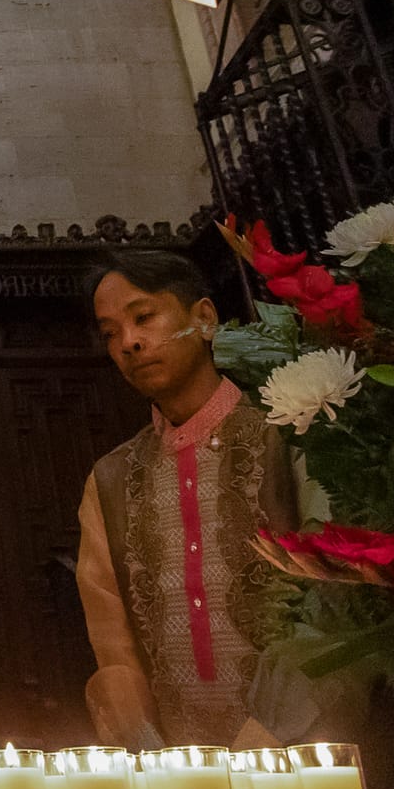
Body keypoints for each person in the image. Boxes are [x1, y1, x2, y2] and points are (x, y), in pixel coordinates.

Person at [76, 249, 304, 749]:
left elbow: (338, 610)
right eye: (110, 333)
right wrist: (151, 752)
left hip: (307, 750)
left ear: (203, 318)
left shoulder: (289, 436)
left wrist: (269, 740)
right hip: (178, 768)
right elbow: (112, 640)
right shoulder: (112, 479)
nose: (129, 344)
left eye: (143, 317)